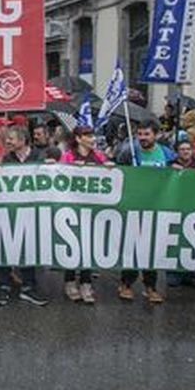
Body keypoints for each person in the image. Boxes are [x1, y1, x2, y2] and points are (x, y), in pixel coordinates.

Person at [0, 126, 48, 306]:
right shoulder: (6, 158)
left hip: (31, 211)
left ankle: (28, 288)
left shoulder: (39, 156)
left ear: (23, 140)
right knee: (5, 245)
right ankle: (3, 287)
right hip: (9, 210)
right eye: (6, 138)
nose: (7, 142)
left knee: (28, 248)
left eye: (11, 139)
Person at [115, 121, 170, 303]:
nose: (142, 138)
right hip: (134, 207)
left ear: (155, 135)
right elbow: (118, 171)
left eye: (146, 134)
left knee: (152, 249)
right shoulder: (129, 152)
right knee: (132, 246)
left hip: (157, 207)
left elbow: (178, 170)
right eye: (139, 134)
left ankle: (150, 286)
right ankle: (126, 283)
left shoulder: (166, 153)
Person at [57, 125, 112, 303]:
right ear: (78, 138)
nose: (91, 138)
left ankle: (86, 283)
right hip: (73, 207)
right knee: (71, 243)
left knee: (89, 245)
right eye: (87, 135)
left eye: (92, 135)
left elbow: (109, 175)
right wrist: (71, 167)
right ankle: (70, 281)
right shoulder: (68, 156)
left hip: (92, 208)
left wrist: (110, 168)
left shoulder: (99, 156)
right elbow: (59, 175)